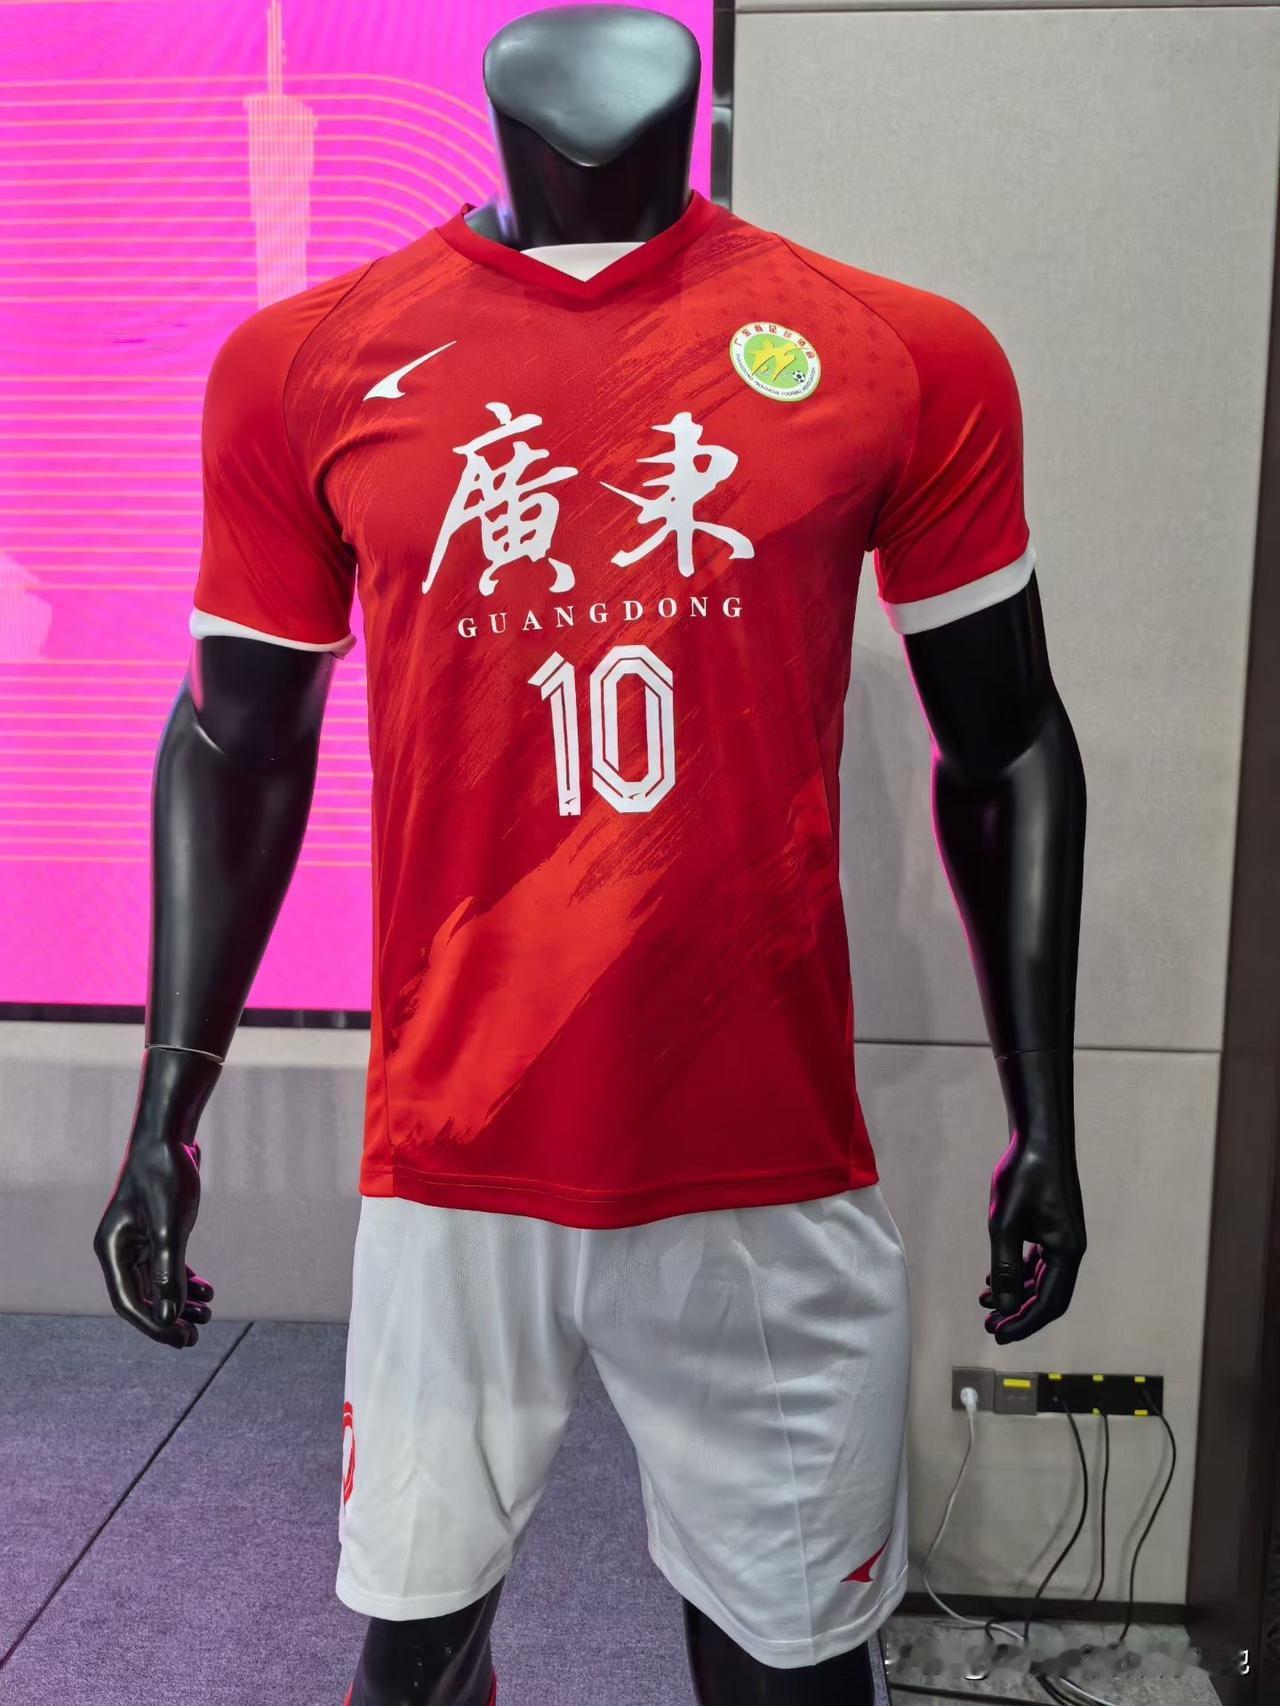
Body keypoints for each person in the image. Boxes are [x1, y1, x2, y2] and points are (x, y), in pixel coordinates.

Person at [94, 8, 1087, 1703]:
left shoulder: (895, 354)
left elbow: (1006, 741)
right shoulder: (310, 362)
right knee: (417, 1646)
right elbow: (233, 741)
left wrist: (1043, 1116)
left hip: (763, 1153)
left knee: (795, 1659)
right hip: (458, 1146)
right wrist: (165, 1106)